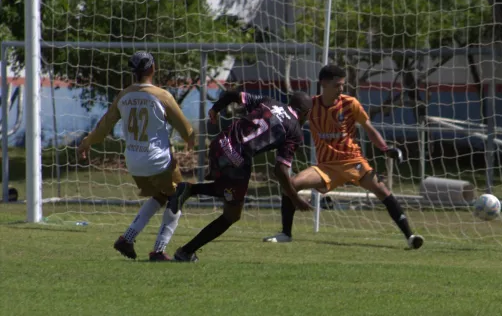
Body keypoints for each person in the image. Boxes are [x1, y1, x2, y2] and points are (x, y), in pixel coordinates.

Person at [263, 64, 424, 250]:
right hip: (326, 167)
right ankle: (285, 234)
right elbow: (292, 125)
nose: (341, 89)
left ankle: (410, 236)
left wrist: (386, 149)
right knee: (291, 183)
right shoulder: (311, 106)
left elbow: (369, 130)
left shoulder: (350, 103)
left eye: (342, 85)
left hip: (354, 162)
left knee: (383, 191)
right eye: (337, 85)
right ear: (323, 83)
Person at [168, 89, 313, 262]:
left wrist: (215, 109)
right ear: (306, 113)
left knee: (226, 188)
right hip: (237, 159)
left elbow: (232, 94)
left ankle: (190, 189)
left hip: (220, 143)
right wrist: (294, 198)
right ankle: (185, 251)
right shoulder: (295, 131)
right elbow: (280, 170)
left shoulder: (268, 101)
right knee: (232, 214)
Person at [77, 51, 195, 261]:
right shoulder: (162, 96)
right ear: (152, 69)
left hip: (133, 162)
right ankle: (158, 250)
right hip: (157, 160)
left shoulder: (124, 95)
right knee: (178, 196)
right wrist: (191, 142)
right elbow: (186, 130)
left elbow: (103, 128)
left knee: (160, 196)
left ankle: (127, 239)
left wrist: (86, 142)